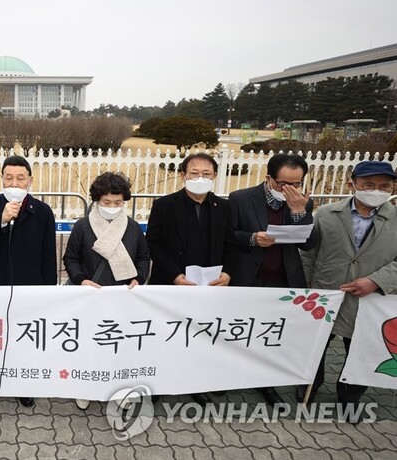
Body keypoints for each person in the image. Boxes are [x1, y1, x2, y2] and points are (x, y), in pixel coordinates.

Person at [300, 161, 397, 421]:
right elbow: (308, 253)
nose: (376, 191)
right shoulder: (326, 214)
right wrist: (308, 287)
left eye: (384, 186)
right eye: (368, 185)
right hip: (326, 296)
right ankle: (308, 386)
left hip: (369, 301)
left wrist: (376, 280)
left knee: (362, 349)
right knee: (315, 346)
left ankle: (349, 396)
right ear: (352, 184)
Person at [228, 153, 317, 406]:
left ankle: (266, 382)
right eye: (283, 184)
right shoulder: (241, 199)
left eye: (296, 184)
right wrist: (252, 238)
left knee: (271, 333)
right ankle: (231, 375)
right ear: (269, 178)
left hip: (284, 281)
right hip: (248, 278)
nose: (289, 190)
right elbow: (229, 235)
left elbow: (310, 243)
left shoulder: (301, 202)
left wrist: (299, 211)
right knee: (241, 329)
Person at [146, 153, 234, 406]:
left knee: (198, 335)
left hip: (207, 287)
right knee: (164, 334)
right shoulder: (164, 205)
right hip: (170, 282)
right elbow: (152, 243)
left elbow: (231, 244)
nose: (200, 178)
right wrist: (174, 275)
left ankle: (193, 382)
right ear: (184, 174)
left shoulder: (223, 207)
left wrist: (227, 273)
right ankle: (157, 382)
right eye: (194, 173)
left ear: (215, 176)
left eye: (206, 174)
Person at [0, 155, 57, 407]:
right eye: (9, 177)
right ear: (2, 179)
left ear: (30, 181)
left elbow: (48, 254)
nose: (15, 182)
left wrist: (48, 292)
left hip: (29, 287)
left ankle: (23, 384)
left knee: (24, 339)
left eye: (20, 178)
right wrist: (1, 218)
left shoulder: (42, 212)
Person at [63, 172, 150, 410]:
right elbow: (71, 258)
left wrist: (139, 278)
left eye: (118, 202)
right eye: (107, 202)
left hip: (122, 297)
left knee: (118, 346)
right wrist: (81, 280)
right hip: (91, 296)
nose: (112, 207)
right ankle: (85, 387)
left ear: (125, 201)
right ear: (96, 200)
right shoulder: (83, 226)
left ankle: (118, 390)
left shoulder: (132, 227)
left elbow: (143, 257)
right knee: (88, 345)